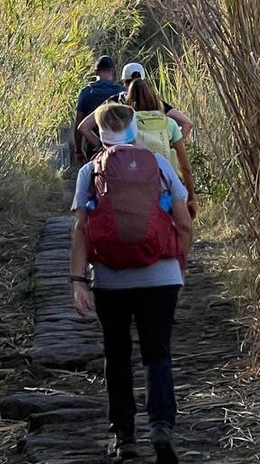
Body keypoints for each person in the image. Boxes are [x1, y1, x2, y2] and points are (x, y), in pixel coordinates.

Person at [71, 103, 193, 464]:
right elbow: (184, 222)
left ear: (101, 133)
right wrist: (178, 264)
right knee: (158, 353)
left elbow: (80, 229)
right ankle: (161, 426)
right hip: (161, 276)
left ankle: (124, 437)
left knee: (117, 354)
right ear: (133, 129)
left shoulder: (90, 171)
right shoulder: (159, 164)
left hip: (111, 279)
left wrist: (78, 281)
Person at [79, 78, 198, 219]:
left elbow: (83, 127)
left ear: (128, 99)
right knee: (179, 223)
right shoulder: (169, 124)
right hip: (163, 189)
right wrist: (191, 197)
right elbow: (185, 168)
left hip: (129, 186)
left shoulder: (126, 124)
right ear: (155, 98)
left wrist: (101, 146)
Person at [73, 55, 126, 165]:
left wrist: (78, 150)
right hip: (119, 147)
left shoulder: (86, 92)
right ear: (113, 72)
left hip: (93, 148)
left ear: (95, 72)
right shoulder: (121, 92)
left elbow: (79, 123)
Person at [117, 62, 193, 138]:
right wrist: (174, 144)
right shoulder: (156, 103)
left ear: (124, 82)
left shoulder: (118, 102)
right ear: (145, 82)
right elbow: (187, 124)